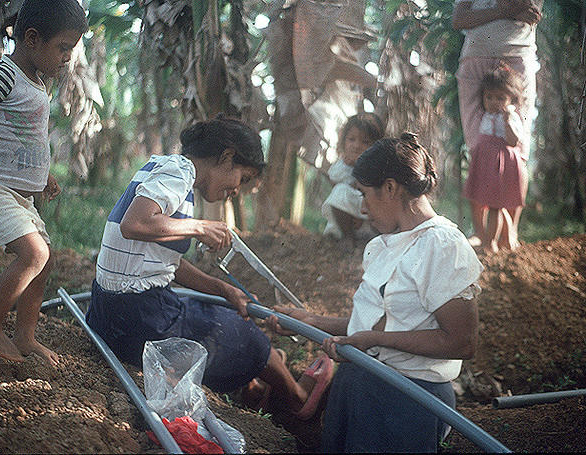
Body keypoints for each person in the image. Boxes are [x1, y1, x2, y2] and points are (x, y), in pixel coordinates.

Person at [85, 116, 333, 420]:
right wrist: (200, 227)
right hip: (142, 321)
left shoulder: (162, 168)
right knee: (249, 337)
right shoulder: (179, 172)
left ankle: (253, 388)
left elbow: (163, 261)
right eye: (242, 178)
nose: (237, 190)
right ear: (227, 157)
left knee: (208, 309)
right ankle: (298, 398)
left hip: (107, 314)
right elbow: (134, 224)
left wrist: (221, 288)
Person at [268, 133, 484, 452]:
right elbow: (382, 323)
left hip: (407, 398)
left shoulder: (442, 247)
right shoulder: (385, 244)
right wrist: (310, 320)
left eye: (364, 195)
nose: (363, 209)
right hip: (361, 385)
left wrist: (376, 341)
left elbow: (461, 341)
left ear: (390, 188)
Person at [0, 0, 88, 365]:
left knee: (46, 258)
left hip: (18, 194)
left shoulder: (38, 84)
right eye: (63, 47)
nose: (68, 58)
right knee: (34, 254)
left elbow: (25, 140)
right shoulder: (2, 75)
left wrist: (42, 178)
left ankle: (25, 336)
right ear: (31, 39)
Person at [453, 0, 542, 249]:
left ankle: (509, 233)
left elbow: (532, 13)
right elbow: (459, 20)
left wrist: (490, 13)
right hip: (476, 59)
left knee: (518, 150)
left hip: (517, 55)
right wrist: (506, 11)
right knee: (478, 145)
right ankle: (482, 234)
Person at [463, 65, 527, 253]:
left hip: (501, 164)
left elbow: (514, 141)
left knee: (495, 206)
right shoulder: (485, 115)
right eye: (489, 97)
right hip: (485, 163)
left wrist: (507, 120)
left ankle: (491, 242)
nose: (493, 102)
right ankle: (502, 239)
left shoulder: (511, 117)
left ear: (511, 100)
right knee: (489, 203)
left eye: (500, 98)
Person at [321, 113, 384, 249]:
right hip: (350, 216)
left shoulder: (379, 166)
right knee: (340, 191)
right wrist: (349, 166)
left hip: (371, 217)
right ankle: (347, 237)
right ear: (344, 141)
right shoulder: (343, 164)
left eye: (365, 142)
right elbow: (334, 180)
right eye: (351, 139)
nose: (357, 146)